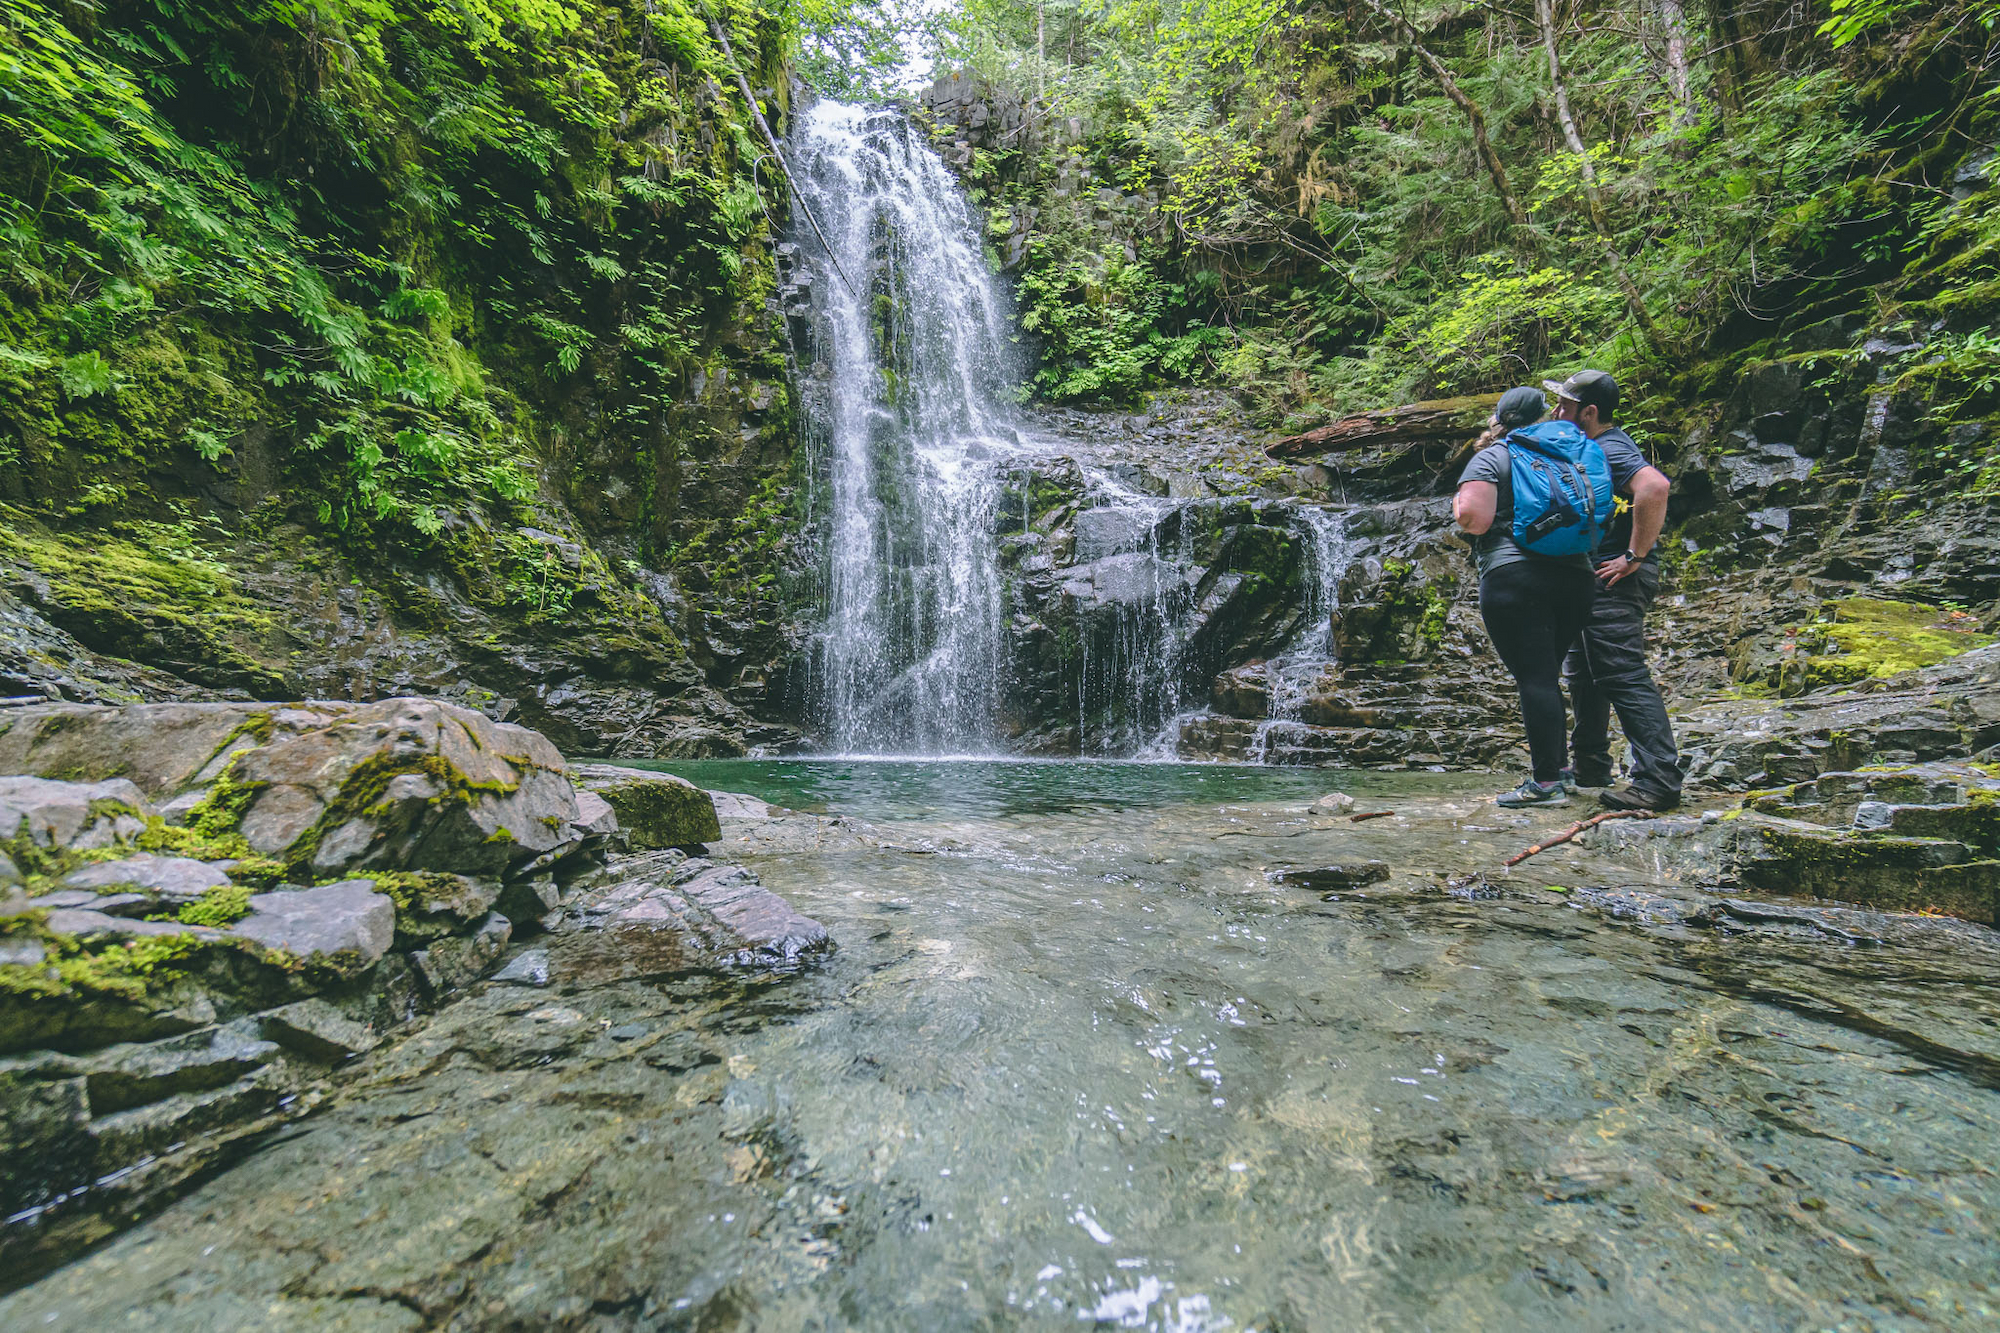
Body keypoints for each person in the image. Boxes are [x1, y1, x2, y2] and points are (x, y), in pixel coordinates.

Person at [1544, 369, 1684, 811]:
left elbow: (1655, 487)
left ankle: (1658, 781)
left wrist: (1634, 555)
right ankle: (1591, 764)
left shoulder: (1610, 447)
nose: (1555, 411)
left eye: (1564, 406)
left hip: (1615, 576)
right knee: (1584, 672)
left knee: (1621, 672)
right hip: (1594, 575)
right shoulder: (1593, 447)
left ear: (1589, 412)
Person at [1453, 386, 1600, 807]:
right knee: (1547, 673)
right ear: (1547, 416)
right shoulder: (1574, 454)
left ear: (1498, 418)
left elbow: (1473, 520)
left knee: (1534, 678)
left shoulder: (1494, 456)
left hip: (1516, 577)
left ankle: (1545, 784)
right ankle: (1561, 769)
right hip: (1576, 575)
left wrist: (1458, 505)